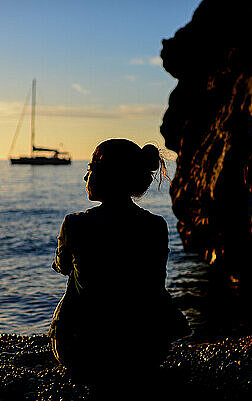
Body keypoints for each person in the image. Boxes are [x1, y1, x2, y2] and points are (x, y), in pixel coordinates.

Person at [48, 138, 190, 393]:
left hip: (81, 350)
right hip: (145, 351)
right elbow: (156, 285)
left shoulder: (74, 224)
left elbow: (63, 267)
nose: (85, 178)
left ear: (106, 176)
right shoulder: (155, 226)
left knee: (77, 284)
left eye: (90, 169)